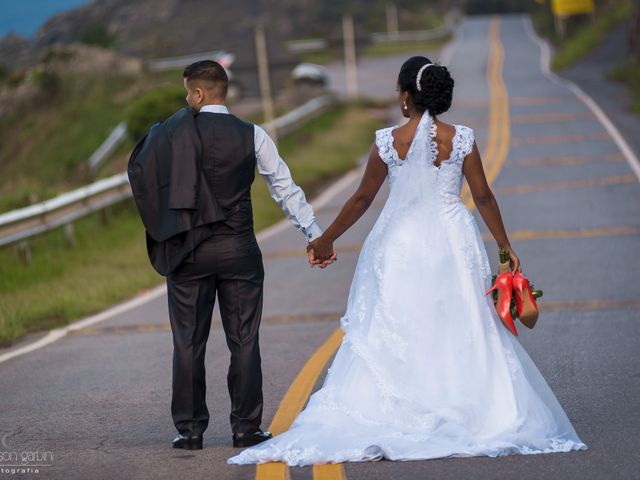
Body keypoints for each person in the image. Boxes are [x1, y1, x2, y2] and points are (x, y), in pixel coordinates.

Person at [228, 56, 587, 466]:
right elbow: (483, 196)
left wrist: (326, 240)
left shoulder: (388, 141)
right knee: (458, 320)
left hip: (399, 244)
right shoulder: (462, 138)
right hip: (454, 241)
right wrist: (505, 248)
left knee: (399, 321)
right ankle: (469, 405)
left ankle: (397, 405)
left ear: (404, 96)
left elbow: (363, 198)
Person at [129, 60, 334, 451]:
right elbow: (284, 189)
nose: (186, 100)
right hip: (240, 251)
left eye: (188, 92)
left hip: (188, 254)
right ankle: (246, 429)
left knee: (188, 342)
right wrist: (314, 235)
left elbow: (147, 176)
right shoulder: (252, 134)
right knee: (244, 340)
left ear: (200, 93)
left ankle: (189, 431)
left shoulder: (173, 135)